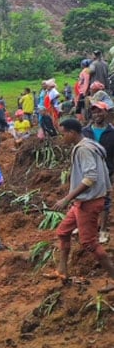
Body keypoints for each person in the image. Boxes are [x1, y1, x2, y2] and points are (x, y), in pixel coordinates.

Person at [52, 119, 114, 293]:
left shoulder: (84, 150)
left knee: (89, 243)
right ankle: (62, 271)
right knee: (63, 232)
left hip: (88, 201)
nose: (62, 137)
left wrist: (67, 198)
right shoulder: (88, 145)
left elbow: (90, 177)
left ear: (72, 133)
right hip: (84, 200)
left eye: (63, 133)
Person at [82, 101, 114, 244]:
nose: (97, 114)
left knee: (104, 200)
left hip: (107, 171)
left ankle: (103, 230)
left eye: (100, 111)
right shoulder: (86, 132)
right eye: (94, 112)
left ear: (106, 113)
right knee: (86, 197)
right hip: (88, 171)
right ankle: (88, 226)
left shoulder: (112, 133)